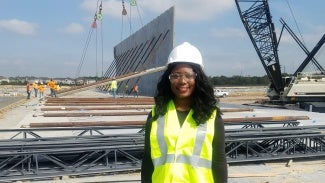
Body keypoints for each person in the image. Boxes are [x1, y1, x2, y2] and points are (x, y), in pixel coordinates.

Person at [141, 42, 228, 183]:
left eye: (189, 75)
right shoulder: (156, 115)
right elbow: (147, 160)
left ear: (197, 78)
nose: (182, 81)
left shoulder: (211, 115)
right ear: (168, 79)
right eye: (175, 75)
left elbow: (218, 162)